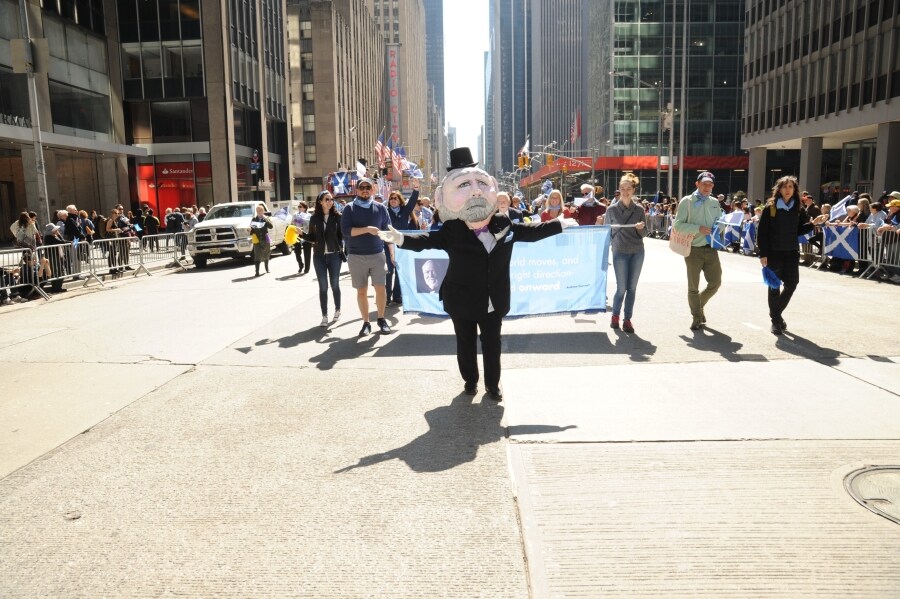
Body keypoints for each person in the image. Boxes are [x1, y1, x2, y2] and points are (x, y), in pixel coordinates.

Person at [379, 147, 577, 401]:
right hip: (461, 298)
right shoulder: (453, 230)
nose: (475, 191)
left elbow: (533, 232)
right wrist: (400, 239)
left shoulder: (503, 225)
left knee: (493, 344)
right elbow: (427, 240)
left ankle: (492, 385)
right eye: (464, 185)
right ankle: (470, 380)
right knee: (466, 343)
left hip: (493, 298)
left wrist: (559, 224)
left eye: (481, 184)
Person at [756, 175, 815, 335]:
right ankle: (776, 321)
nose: (787, 189)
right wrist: (763, 254)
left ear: (795, 190)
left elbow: (800, 230)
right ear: (779, 189)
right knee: (774, 286)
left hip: (791, 252)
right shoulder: (771, 207)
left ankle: (774, 313)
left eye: (790, 187)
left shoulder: (799, 208)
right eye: (784, 187)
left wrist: (812, 224)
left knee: (792, 284)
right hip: (774, 253)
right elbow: (762, 232)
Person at [340, 176, 392, 336]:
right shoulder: (349, 208)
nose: (364, 190)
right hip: (356, 256)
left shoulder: (381, 208)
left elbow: (388, 232)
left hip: (378, 254)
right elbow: (346, 232)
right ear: (357, 190)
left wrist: (392, 253)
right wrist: (367, 229)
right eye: (361, 188)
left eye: (367, 188)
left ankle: (382, 319)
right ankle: (366, 323)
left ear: (372, 190)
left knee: (381, 289)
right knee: (361, 291)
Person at [672, 171, 724, 330]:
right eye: (704, 183)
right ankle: (696, 317)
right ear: (697, 184)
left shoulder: (715, 202)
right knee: (693, 287)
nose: (707, 187)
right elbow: (678, 225)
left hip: (711, 249)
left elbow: (720, 222)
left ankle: (698, 306)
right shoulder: (687, 202)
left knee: (715, 283)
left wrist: (721, 226)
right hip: (693, 250)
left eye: (710, 184)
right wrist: (698, 229)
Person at [598, 173, 648, 333]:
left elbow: (645, 233)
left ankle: (627, 319)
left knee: (632, 288)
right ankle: (615, 316)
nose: (625, 192)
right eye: (622, 188)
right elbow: (606, 233)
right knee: (621, 288)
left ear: (634, 190)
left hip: (637, 252)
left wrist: (641, 228)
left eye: (628, 189)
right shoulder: (611, 210)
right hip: (619, 251)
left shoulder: (639, 209)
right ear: (619, 189)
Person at [306, 191, 343, 327]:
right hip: (319, 256)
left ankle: (337, 310)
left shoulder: (338, 217)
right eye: (327, 199)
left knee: (334, 285)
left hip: (334, 256)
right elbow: (311, 237)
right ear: (320, 202)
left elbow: (342, 236)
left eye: (331, 199)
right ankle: (324, 316)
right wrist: (301, 234)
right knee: (323, 287)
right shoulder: (314, 218)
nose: (329, 201)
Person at [385, 187, 420, 305]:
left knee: (400, 272)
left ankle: (397, 295)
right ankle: (386, 296)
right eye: (391, 199)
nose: (393, 200)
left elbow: (413, 201)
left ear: (400, 200)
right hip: (388, 246)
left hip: (401, 245)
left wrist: (415, 189)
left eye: (395, 198)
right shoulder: (385, 211)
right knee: (389, 271)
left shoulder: (405, 211)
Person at [250, 203, 273, 277]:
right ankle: (257, 271)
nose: (259, 212)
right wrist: (249, 229)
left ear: (263, 211)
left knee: (266, 253)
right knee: (257, 255)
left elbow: (271, 226)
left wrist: (266, 219)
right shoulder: (254, 219)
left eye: (261, 211)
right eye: (258, 211)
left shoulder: (266, 218)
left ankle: (267, 267)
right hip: (257, 239)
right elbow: (252, 229)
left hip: (265, 238)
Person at [291, 202, 312, 274]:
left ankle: (307, 269)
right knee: (297, 252)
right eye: (298, 207)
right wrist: (293, 222)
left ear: (305, 208)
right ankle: (300, 265)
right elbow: (292, 225)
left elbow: (309, 224)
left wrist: (301, 220)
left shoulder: (309, 215)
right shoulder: (295, 215)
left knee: (307, 252)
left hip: (306, 234)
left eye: (301, 207)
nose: (299, 208)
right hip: (297, 235)